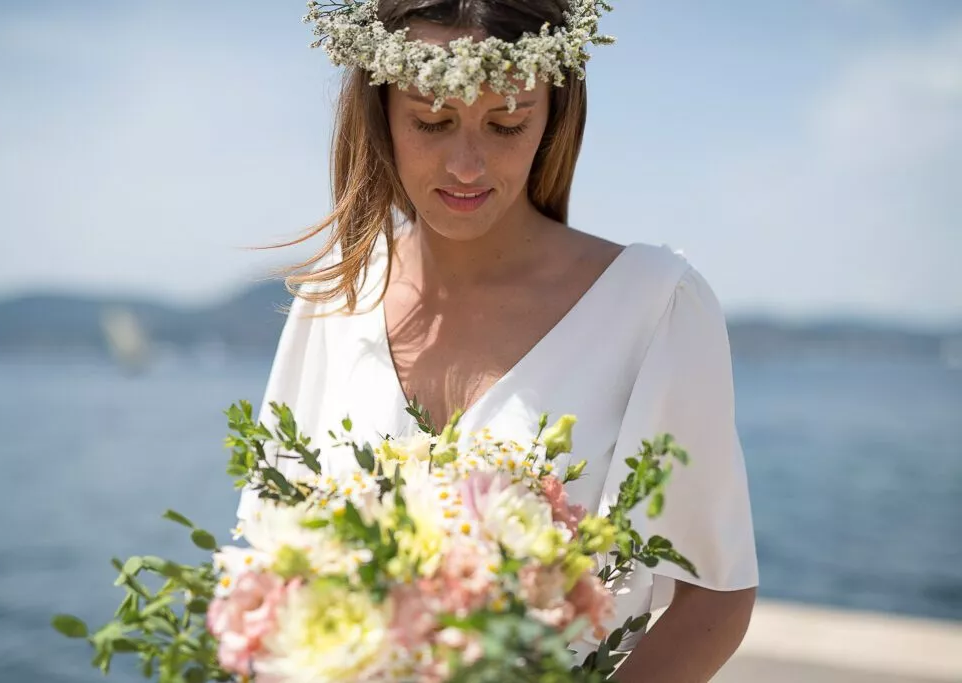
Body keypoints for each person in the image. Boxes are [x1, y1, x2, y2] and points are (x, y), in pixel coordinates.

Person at [238, 1, 758, 680]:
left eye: (507, 123)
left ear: (553, 114)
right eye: (432, 120)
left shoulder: (656, 306)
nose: (466, 165)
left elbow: (714, 595)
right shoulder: (331, 304)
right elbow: (266, 571)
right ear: (381, 111)